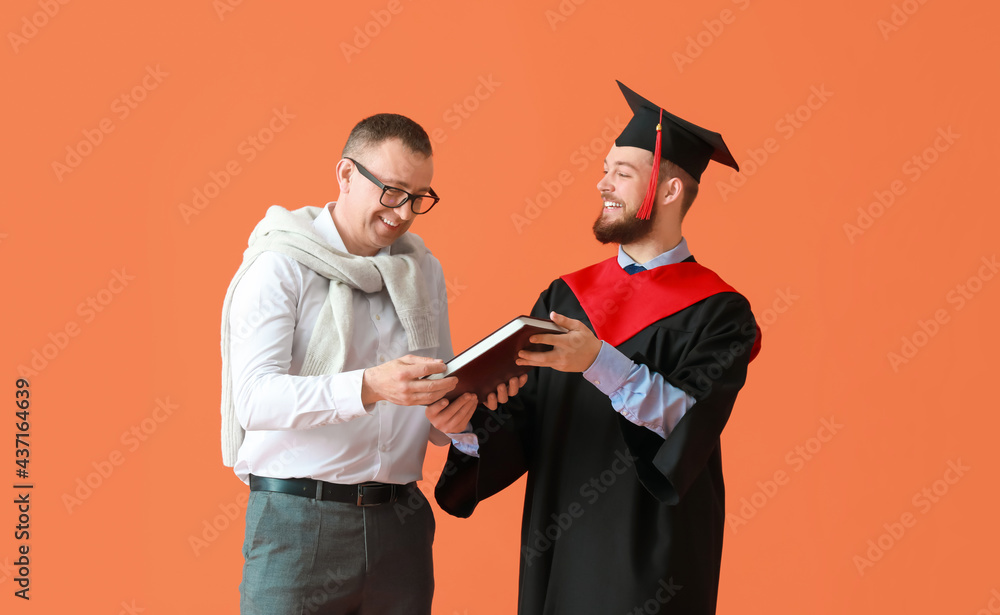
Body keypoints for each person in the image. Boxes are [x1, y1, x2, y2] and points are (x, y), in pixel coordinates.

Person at [435, 81, 762, 614]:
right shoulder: (568, 295)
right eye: (605, 168)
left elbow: (687, 426)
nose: (601, 182)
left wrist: (598, 362)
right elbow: (525, 419)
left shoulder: (720, 312)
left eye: (622, 173)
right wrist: (466, 430)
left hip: (652, 558)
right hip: (557, 542)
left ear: (669, 190)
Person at [219, 113, 518, 614]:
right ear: (346, 175)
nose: (403, 213)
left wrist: (456, 416)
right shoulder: (279, 264)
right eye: (393, 191)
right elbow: (253, 399)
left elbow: (433, 402)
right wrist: (369, 386)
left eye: (419, 197)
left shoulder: (422, 271)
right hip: (298, 524)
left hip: (400, 526)